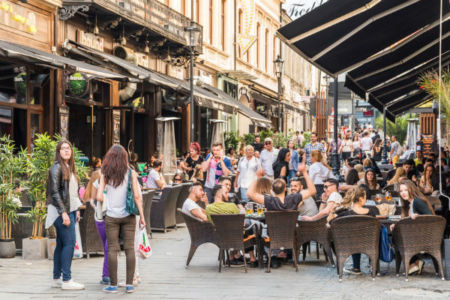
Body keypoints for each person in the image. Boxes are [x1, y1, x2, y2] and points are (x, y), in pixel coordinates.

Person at [96, 145, 146, 294]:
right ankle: (129, 285)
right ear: (125, 157)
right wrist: (142, 216)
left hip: (111, 216)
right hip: (129, 216)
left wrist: (107, 196)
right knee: (130, 249)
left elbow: (99, 196)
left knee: (112, 249)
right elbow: (137, 196)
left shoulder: (105, 173)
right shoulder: (131, 173)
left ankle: (113, 284)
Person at [45, 140, 85, 290]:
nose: (67, 151)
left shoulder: (69, 167)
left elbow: (72, 193)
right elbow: (55, 193)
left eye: (69, 148)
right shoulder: (56, 168)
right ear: (59, 152)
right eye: (63, 148)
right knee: (69, 243)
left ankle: (57, 278)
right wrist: (64, 213)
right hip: (61, 212)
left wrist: (77, 209)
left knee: (61, 245)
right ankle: (67, 280)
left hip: (71, 210)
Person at [207, 184, 258, 266]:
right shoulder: (232, 206)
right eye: (226, 193)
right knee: (248, 226)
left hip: (221, 237)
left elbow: (211, 223)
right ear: (220, 194)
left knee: (235, 230)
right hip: (238, 236)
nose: (228, 195)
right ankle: (253, 258)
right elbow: (241, 222)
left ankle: (232, 256)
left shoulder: (208, 208)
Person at [336, 186, 379, 275]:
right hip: (369, 242)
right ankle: (374, 267)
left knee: (355, 236)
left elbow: (332, 222)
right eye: (365, 197)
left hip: (351, 243)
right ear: (360, 198)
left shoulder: (346, 213)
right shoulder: (371, 212)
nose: (365, 200)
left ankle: (356, 267)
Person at [396, 179, 434, 274]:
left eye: (405, 190)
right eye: (401, 191)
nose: (403, 193)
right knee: (397, 235)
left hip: (427, 236)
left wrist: (419, 216)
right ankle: (416, 261)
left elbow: (431, 218)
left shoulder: (417, 201)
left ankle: (415, 262)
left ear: (411, 189)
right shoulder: (410, 203)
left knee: (398, 238)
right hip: (417, 235)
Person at [246, 163, 316, 211]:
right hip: (290, 231)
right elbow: (312, 190)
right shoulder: (294, 198)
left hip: (272, 232)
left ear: (272, 190)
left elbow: (250, 193)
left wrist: (258, 177)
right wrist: (304, 172)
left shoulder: (269, 201)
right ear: (285, 189)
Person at [83, 169, 110, 285]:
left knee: (107, 246)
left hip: (98, 218)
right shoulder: (102, 184)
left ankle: (107, 274)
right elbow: (96, 199)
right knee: (108, 246)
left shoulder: (92, 187)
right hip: (106, 217)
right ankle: (107, 275)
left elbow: (92, 201)